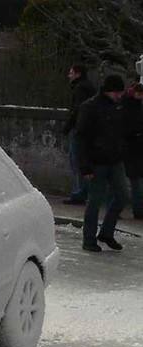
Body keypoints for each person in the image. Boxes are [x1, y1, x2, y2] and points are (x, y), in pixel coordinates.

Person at [76, 74, 128, 252]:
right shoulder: (90, 107)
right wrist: (85, 166)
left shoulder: (118, 106)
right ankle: (89, 239)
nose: (119, 96)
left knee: (122, 195)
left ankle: (106, 232)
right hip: (96, 162)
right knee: (95, 201)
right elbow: (81, 138)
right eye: (116, 92)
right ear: (108, 91)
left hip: (115, 160)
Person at [63, 64, 97, 205]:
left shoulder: (80, 88)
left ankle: (80, 193)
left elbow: (77, 109)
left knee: (77, 160)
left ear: (77, 74)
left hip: (79, 129)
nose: (69, 76)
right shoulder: (87, 87)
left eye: (71, 73)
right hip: (87, 129)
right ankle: (83, 192)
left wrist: (68, 126)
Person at [122, 82, 143, 219]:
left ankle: (138, 209)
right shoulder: (129, 106)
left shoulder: (126, 105)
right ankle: (138, 209)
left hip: (133, 148)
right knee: (135, 181)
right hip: (132, 148)